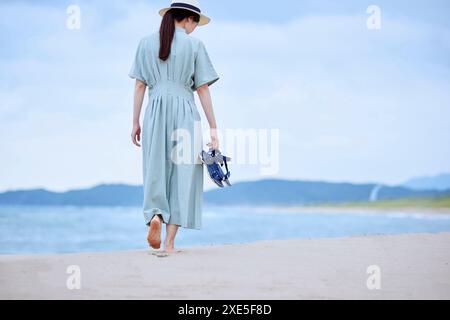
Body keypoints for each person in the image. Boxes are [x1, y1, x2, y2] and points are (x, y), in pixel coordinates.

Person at [129, 0, 220, 253]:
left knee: (155, 169)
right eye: (196, 23)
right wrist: (213, 128)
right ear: (189, 19)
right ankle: (169, 244)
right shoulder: (195, 45)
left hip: (155, 110)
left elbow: (139, 86)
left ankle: (156, 215)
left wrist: (135, 121)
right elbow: (202, 88)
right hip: (185, 112)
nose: (195, 28)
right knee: (184, 174)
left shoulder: (145, 42)